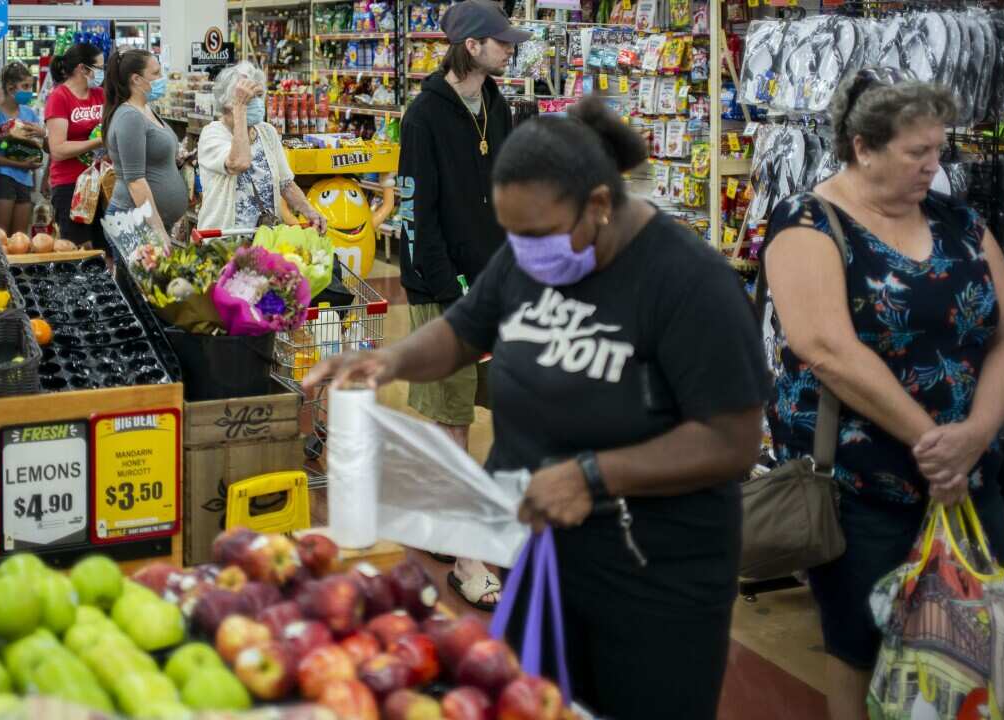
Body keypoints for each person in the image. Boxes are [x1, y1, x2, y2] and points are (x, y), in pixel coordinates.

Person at [304, 98, 770, 718]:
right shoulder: (531, 250)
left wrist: (593, 475)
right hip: (541, 558)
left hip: (654, 580)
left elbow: (730, 439)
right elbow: (466, 329)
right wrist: (389, 362)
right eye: (510, 233)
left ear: (600, 206)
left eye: (534, 234)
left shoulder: (690, 283)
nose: (521, 250)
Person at [761, 69, 1004, 720]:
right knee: (859, 643)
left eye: (940, 149)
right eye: (918, 152)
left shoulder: (959, 219)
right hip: (864, 488)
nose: (933, 166)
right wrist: (932, 442)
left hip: (967, 476)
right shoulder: (808, 222)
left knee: (974, 630)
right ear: (863, 147)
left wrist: (970, 438)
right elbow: (827, 348)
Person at [394, 0, 530, 611]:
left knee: (508, 406)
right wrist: (444, 284)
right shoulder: (424, 114)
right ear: (471, 47)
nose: (511, 48)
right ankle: (466, 555)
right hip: (444, 286)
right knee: (452, 417)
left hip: (498, 279)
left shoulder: (499, 105)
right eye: (502, 41)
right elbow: (414, 209)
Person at [197, 62, 326, 232]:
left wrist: (310, 212)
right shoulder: (212, 134)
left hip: (265, 236)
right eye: (250, 97)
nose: (258, 103)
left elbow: (285, 184)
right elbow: (239, 162)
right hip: (225, 239)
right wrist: (240, 110)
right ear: (230, 103)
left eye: (259, 95)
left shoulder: (267, 132)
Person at [101, 49, 186, 244]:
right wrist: (158, 232)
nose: (161, 78)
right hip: (134, 222)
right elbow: (135, 181)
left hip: (147, 222)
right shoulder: (130, 117)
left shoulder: (147, 109)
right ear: (137, 80)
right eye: (156, 73)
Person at [45, 42, 107, 248]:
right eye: (99, 67)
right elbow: (58, 149)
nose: (102, 73)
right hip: (71, 186)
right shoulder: (59, 97)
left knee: (104, 248)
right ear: (82, 68)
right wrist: (97, 142)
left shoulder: (100, 94)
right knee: (79, 250)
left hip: (103, 182)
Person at [0, 62, 44, 237]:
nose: (29, 91)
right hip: (3, 179)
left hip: (25, 181)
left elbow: (43, 148)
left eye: (31, 86)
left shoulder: (30, 114)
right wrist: (18, 165)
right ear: (10, 88)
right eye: (25, 86)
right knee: (0, 238)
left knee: (20, 238)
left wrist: (43, 133)